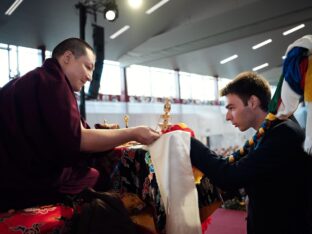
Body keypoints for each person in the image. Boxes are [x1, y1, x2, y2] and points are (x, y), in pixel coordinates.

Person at [0, 38, 160, 212]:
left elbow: (71, 131)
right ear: (67, 57)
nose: (90, 77)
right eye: (88, 67)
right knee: (96, 175)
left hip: (8, 177)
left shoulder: (30, 79)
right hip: (24, 182)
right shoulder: (53, 81)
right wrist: (134, 132)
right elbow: (79, 139)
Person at [190, 71, 311, 234]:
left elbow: (229, 176)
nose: (227, 116)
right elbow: (232, 166)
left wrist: (188, 142)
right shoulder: (273, 130)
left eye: (232, 108)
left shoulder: (282, 134)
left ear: (253, 102)